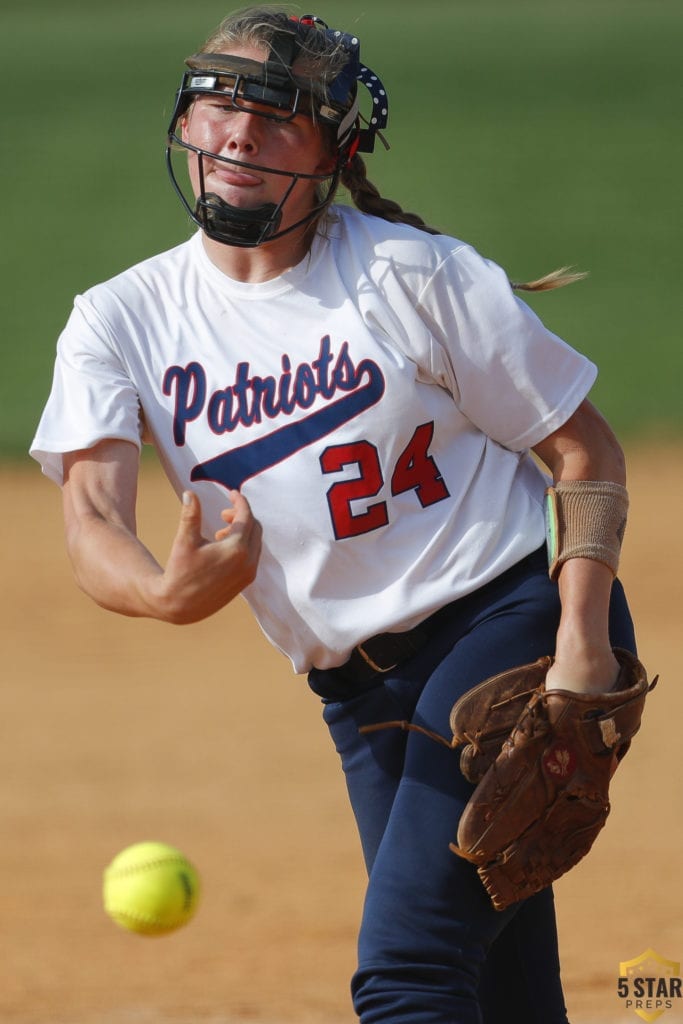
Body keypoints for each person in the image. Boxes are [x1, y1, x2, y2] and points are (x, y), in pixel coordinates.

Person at [30, 8, 637, 1023]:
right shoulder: (120, 318)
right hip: (359, 702)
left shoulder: (410, 276)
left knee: (405, 976)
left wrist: (580, 641)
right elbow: (92, 516)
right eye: (217, 104)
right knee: (500, 995)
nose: (235, 135)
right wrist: (162, 592)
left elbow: (583, 451)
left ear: (334, 149)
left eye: (272, 118)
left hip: (507, 630)